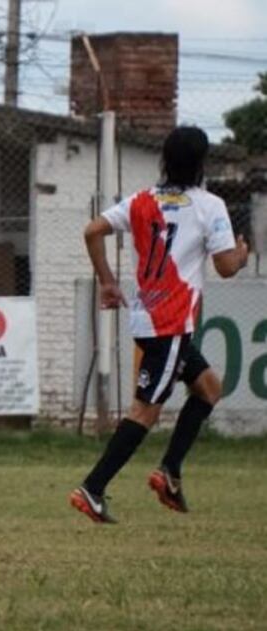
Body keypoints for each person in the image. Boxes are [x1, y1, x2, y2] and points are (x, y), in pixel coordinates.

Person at [71, 125, 249, 524]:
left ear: (165, 160)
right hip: (169, 325)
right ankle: (93, 488)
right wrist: (241, 252)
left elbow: (92, 230)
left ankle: (169, 472)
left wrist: (109, 282)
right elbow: (224, 267)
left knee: (208, 388)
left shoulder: (141, 200)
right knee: (145, 411)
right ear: (202, 163)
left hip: (150, 319)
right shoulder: (209, 206)